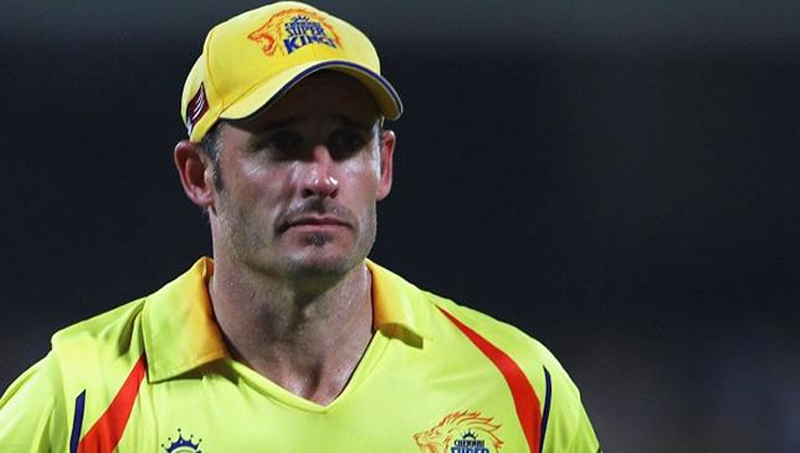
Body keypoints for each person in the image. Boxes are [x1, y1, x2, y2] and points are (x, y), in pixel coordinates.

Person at [0, 2, 601, 452]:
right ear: (199, 175)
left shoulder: (518, 388)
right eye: (281, 145)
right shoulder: (80, 400)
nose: (321, 178)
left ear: (384, 164)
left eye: (346, 142)